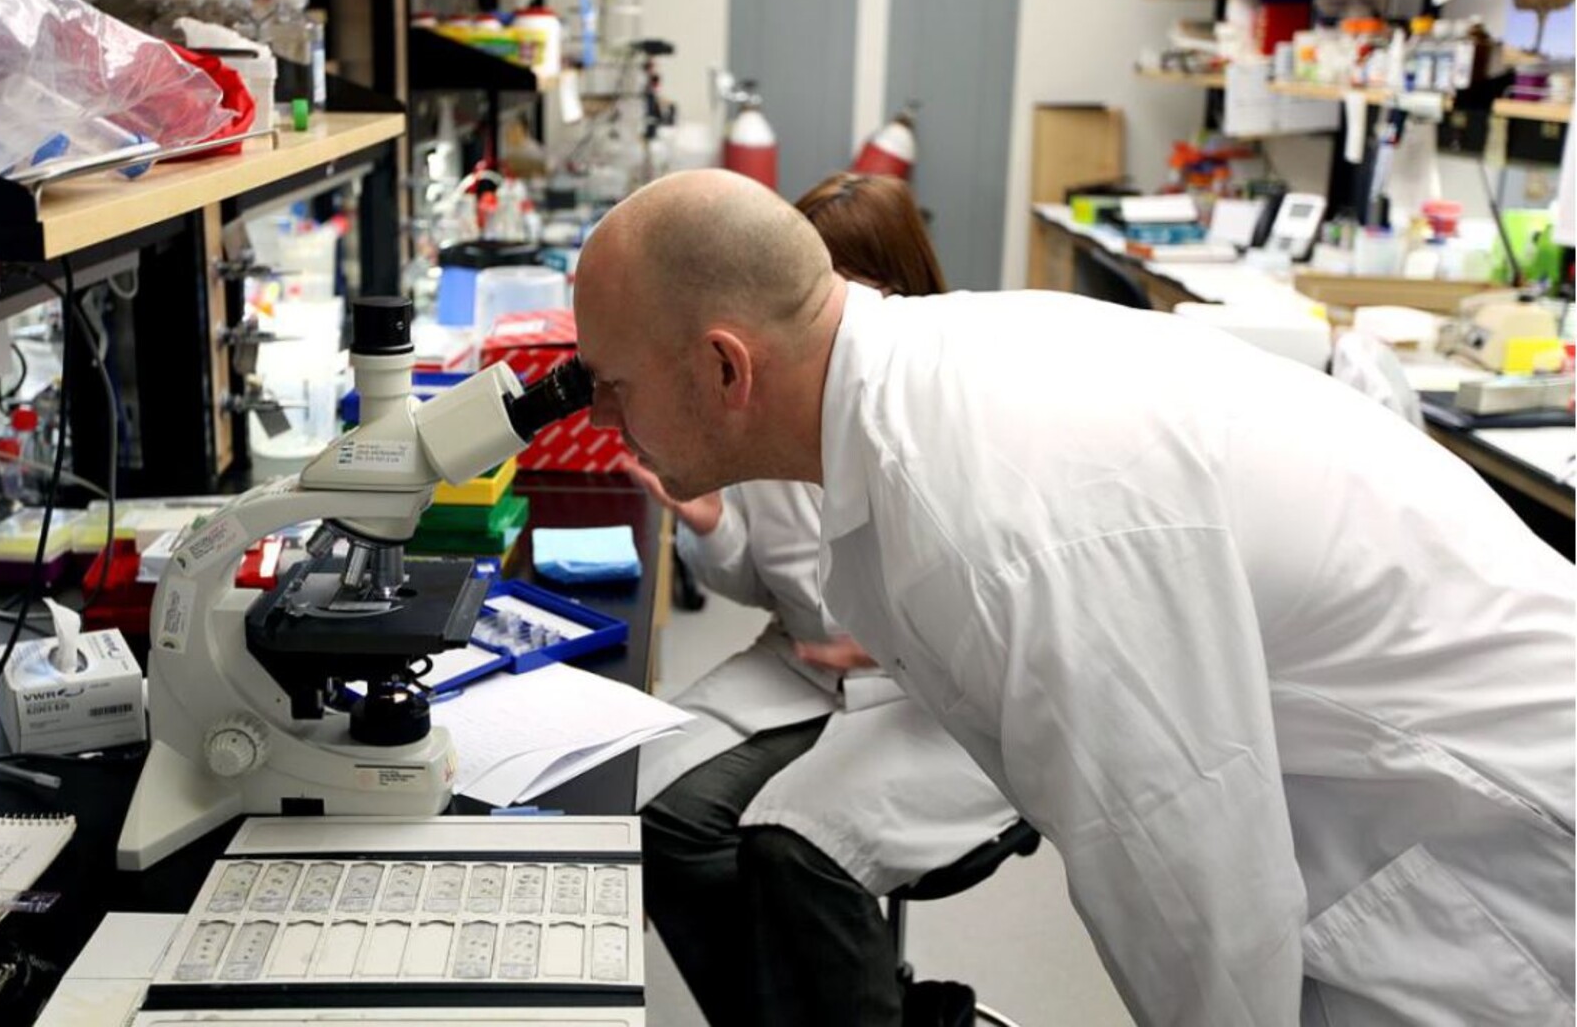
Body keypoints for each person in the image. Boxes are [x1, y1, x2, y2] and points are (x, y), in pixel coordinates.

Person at [572, 168, 1575, 1027]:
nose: (607, 421)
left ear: (722, 366)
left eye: (612, 384)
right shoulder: (920, 388)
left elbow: (1195, 901)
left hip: (1502, 846)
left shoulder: (987, 514)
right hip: (1381, 814)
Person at [630, 173, 1018, 1027]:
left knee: (793, 854)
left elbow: (1013, 611)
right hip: (804, 674)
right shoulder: (770, 395)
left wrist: (895, 640)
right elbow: (761, 579)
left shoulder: (947, 416)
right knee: (662, 820)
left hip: (937, 700)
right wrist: (711, 526)